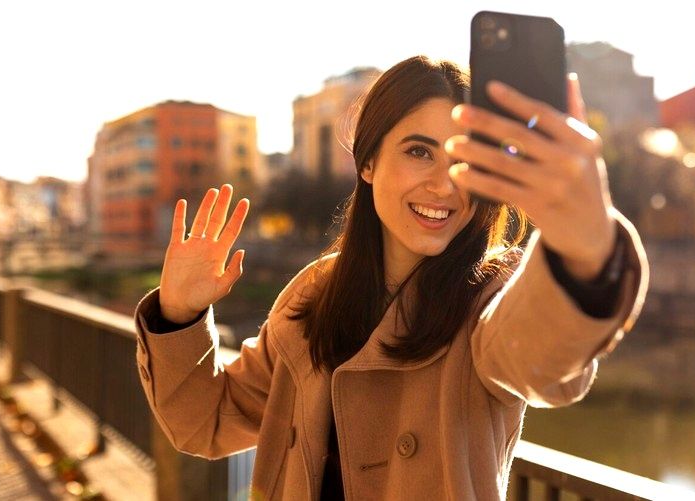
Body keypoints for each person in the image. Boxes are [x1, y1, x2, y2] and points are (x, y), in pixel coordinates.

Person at [133, 55, 648, 500]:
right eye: (419, 151)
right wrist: (180, 313)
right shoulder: (314, 296)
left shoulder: (493, 293)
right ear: (369, 161)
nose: (444, 184)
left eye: (464, 160)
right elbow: (207, 422)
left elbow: (540, 362)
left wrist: (579, 243)